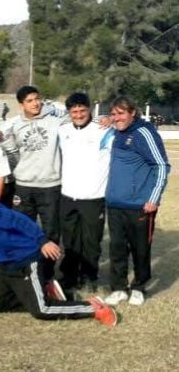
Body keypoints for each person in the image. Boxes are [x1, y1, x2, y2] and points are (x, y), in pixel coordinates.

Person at [0, 175, 117, 326]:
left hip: (25, 261)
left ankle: (92, 308)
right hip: (5, 266)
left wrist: (42, 241)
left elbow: (21, 220)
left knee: (41, 310)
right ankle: (45, 295)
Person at [104, 96, 170, 307]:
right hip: (115, 203)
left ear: (133, 112)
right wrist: (108, 120)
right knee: (117, 248)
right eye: (113, 114)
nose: (117, 118)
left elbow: (160, 166)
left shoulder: (143, 132)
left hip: (140, 205)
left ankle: (139, 287)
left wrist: (153, 199)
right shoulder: (116, 132)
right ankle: (119, 288)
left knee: (140, 249)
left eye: (121, 113)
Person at [1, 86, 66, 279]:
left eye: (37, 99)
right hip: (24, 186)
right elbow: (11, 153)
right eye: (29, 101)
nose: (35, 103)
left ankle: (46, 275)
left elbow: (80, 118)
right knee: (22, 230)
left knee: (51, 232)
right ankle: (26, 271)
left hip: (50, 185)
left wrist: (105, 119)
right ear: (21, 105)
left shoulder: (56, 121)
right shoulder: (14, 126)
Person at [57, 93, 113, 295]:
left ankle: (90, 277)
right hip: (68, 195)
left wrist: (111, 118)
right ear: (69, 112)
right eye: (74, 111)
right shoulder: (62, 130)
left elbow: (128, 123)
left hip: (94, 197)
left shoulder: (104, 129)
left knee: (91, 241)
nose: (79, 114)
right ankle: (69, 276)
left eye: (82, 110)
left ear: (89, 109)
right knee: (70, 241)